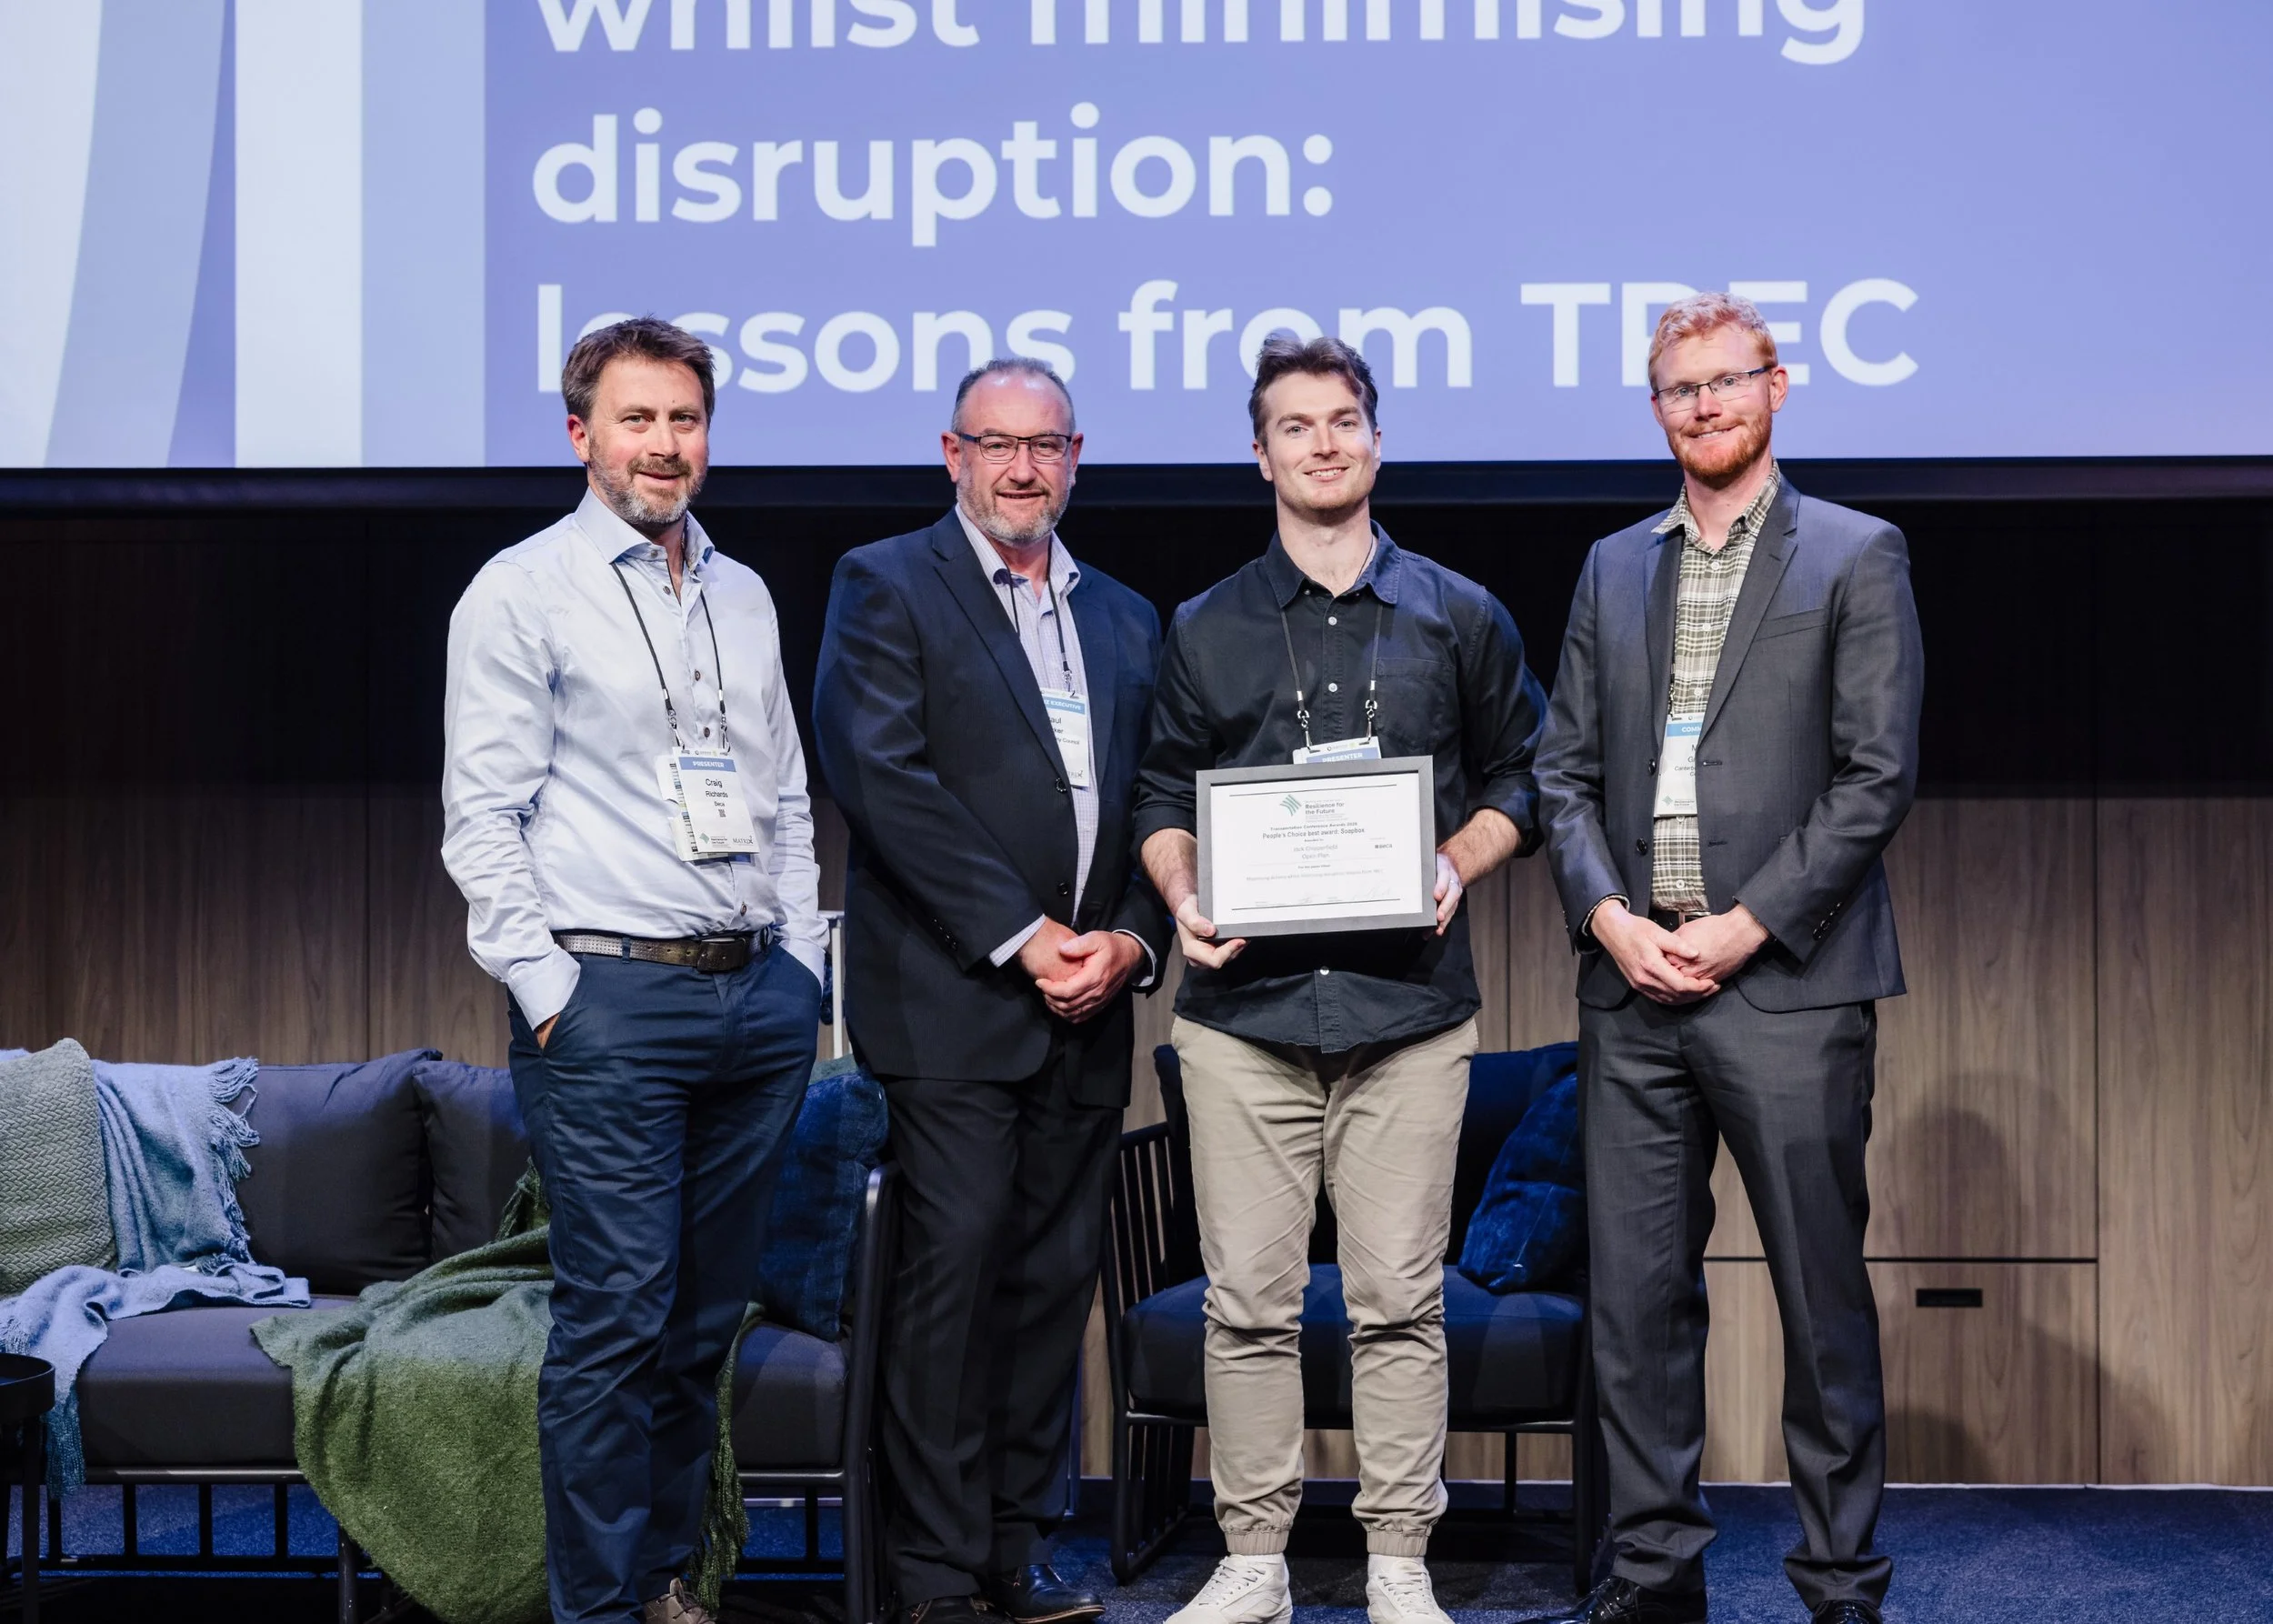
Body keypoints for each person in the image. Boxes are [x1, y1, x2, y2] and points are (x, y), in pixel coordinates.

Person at [1133, 335, 1547, 1624]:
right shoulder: (1203, 625)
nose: (1324, 443)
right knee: (1247, 1306)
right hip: (1243, 1020)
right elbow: (1159, 794)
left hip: (1407, 1016)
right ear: (1260, 453)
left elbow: (1523, 778)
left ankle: (1398, 1564)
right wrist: (1184, 898)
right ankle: (1253, 1561)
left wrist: (1457, 859)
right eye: (1296, 425)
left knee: (1399, 1306)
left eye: (1344, 420)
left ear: (1377, 437)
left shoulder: (1460, 613)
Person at [1531, 292, 1923, 1624]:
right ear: (1656, 409)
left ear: (1777, 386)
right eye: (1679, 388)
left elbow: (1876, 776)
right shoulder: (1611, 567)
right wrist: (1609, 917)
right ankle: (1655, 1572)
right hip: (1633, 988)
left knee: (1819, 1298)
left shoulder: (1856, 553)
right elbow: (1561, 772)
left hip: (1788, 984)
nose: (1704, 405)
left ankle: (1840, 1578)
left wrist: (1746, 921)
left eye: (1727, 380)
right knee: (1638, 1304)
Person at [442, 317, 826, 1624]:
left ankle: (664, 1582)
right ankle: (597, 1609)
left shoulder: (742, 592)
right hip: (609, 1001)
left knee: (703, 1323)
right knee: (616, 1320)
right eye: (638, 419)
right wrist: (550, 993)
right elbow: (482, 820)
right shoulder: (521, 590)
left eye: (686, 419)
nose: (665, 444)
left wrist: (803, 969)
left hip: (756, 998)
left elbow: (784, 797)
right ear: (581, 435)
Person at [813, 358, 1171, 1624]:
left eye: (1046, 445)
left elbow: (1157, 801)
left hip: (1092, 1007)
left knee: (1048, 1292)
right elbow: (882, 774)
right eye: (998, 444)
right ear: (952, 453)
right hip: (953, 1010)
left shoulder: (1126, 615)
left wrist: (1129, 941)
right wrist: (1025, 938)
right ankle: (932, 1570)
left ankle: (1014, 1551)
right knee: (951, 1289)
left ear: (1076, 458)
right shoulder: (886, 583)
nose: (1024, 467)